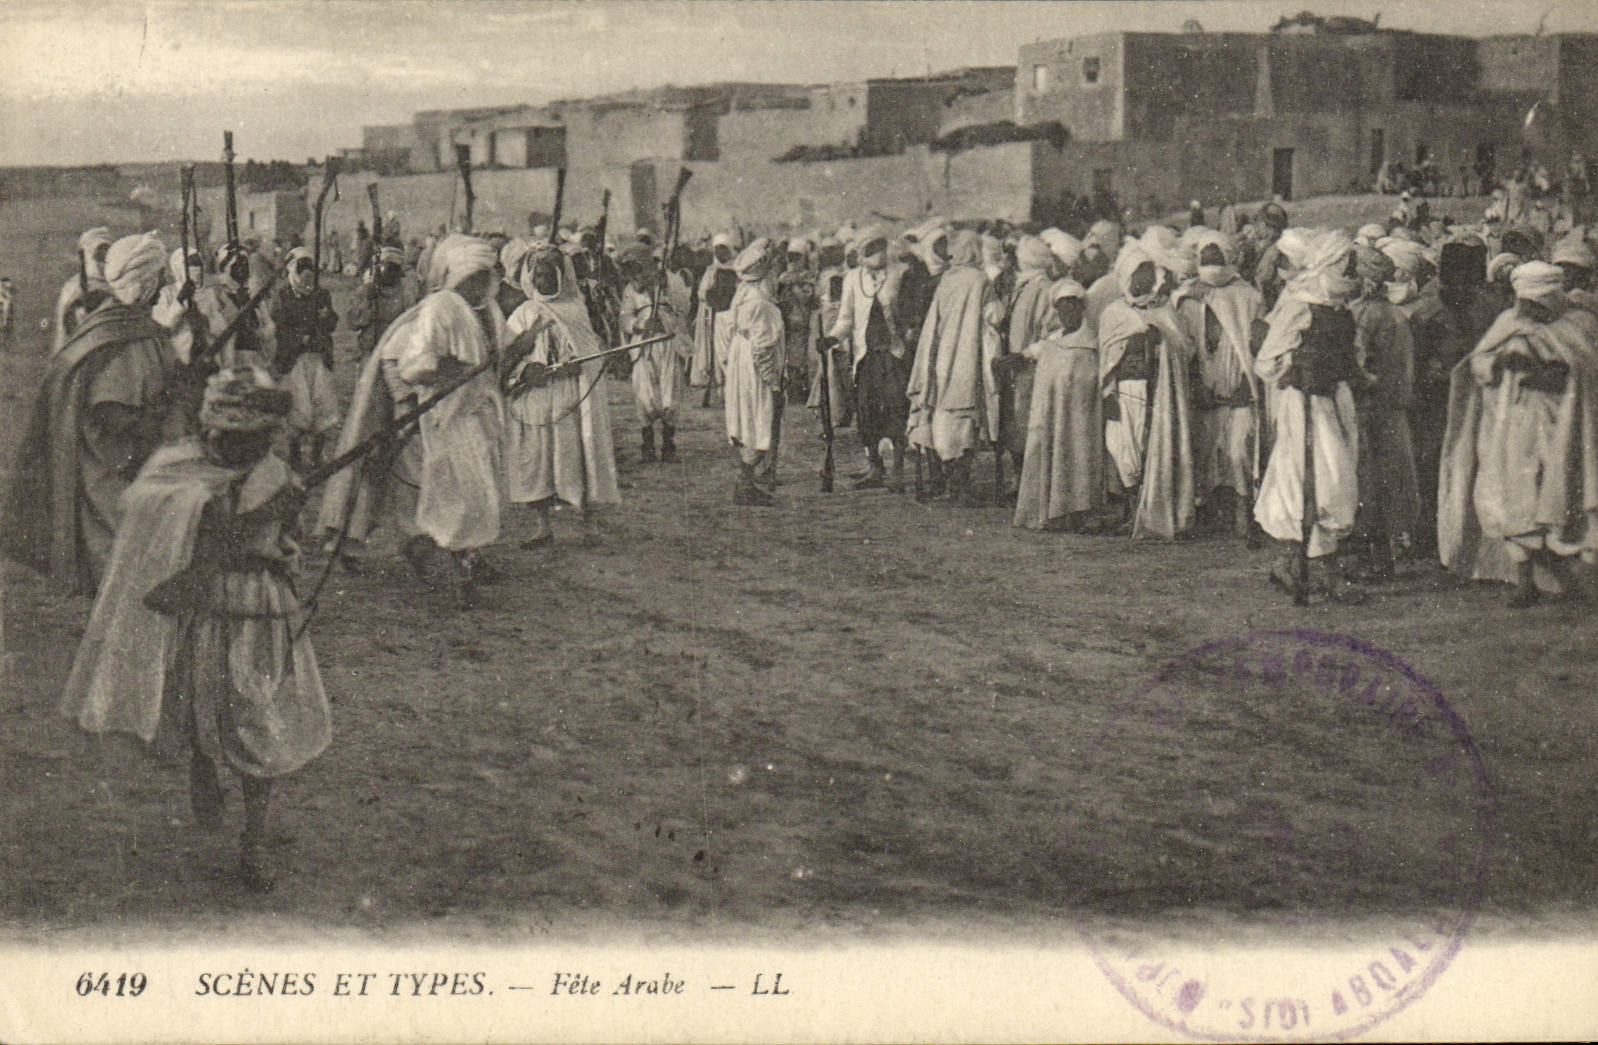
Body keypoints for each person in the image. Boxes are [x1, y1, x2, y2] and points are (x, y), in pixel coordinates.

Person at [60, 364, 330, 893]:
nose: (248, 449)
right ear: (213, 431)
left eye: (258, 440)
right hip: (203, 609)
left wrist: (283, 515)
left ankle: (254, 841)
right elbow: (204, 540)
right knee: (202, 700)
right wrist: (263, 512)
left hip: (258, 606)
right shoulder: (178, 470)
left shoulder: (274, 471)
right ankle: (204, 763)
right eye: (236, 439)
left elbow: (286, 540)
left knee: (259, 714)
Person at [320, 235, 514, 610]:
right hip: (422, 414)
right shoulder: (435, 310)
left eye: (484, 278)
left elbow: (499, 356)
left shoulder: (486, 312)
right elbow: (400, 360)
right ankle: (433, 560)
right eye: (472, 277)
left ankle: (459, 557)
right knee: (410, 486)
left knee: (462, 490)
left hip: (464, 415)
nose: (479, 285)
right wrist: (405, 405)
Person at [2, 233, 172, 593]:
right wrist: (160, 423)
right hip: (113, 474)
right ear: (147, 282)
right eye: (161, 277)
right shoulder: (120, 336)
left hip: (125, 467)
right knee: (127, 575)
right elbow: (111, 413)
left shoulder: (125, 326)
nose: (166, 285)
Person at [1439, 260, 1598, 606]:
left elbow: (1582, 373)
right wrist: (1500, 363)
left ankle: (1570, 580)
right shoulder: (1507, 323)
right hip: (1512, 426)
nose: (1527, 310)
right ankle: (1526, 580)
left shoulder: (1575, 326)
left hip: (1561, 428)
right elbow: (1478, 364)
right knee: (1514, 500)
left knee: (1556, 499)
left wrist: (1546, 373)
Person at [1253, 229, 1364, 602]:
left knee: (1335, 480)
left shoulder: (1339, 307)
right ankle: (1305, 568)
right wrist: (1297, 365)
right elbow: (1266, 361)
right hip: (1305, 403)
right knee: (1314, 481)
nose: (1351, 270)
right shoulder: (1300, 304)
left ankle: (1303, 566)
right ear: (1329, 264)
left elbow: (1352, 356)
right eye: (1346, 264)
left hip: (1335, 400)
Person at [502, 244, 622, 545]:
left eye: (549, 275)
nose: (544, 281)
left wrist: (577, 365)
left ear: (561, 276)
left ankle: (589, 525)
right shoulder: (522, 314)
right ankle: (542, 526)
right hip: (535, 397)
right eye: (539, 276)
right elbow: (506, 358)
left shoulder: (576, 310)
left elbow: (592, 354)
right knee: (538, 460)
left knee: (577, 457)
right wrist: (526, 370)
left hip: (571, 396)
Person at [1098, 234, 1196, 539]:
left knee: (1153, 451)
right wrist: (1108, 394)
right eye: (1138, 273)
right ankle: (1131, 509)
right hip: (1125, 391)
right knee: (1122, 450)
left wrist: (1160, 339)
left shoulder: (1164, 311)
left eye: (1148, 272)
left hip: (1159, 393)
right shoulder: (1114, 313)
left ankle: (1150, 512)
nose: (1144, 279)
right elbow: (1106, 359)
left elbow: (1184, 347)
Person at [1173, 229, 1266, 538]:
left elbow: (1257, 345)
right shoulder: (1187, 298)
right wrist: (1196, 384)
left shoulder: (1249, 296)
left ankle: (1245, 511)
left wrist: (1247, 383)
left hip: (1240, 387)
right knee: (1205, 451)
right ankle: (1213, 512)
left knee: (1239, 452)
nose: (1211, 265)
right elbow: (1185, 347)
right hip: (1206, 388)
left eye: (1217, 257)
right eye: (1206, 258)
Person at [906, 229, 1001, 506]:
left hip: (942, 355)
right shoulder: (980, 280)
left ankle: (951, 482)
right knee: (965, 418)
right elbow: (994, 315)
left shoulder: (947, 279)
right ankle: (962, 486)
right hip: (967, 355)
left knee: (943, 416)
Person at [1348, 246, 1421, 580]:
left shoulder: (1363, 316)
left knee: (1368, 481)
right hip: (1394, 409)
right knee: (1391, 480)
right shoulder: (1397, 315)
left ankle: (1370, 558)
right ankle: (1388, 556)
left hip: (1370, 408)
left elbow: (1360, 365)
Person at [1012, 279, 1105, 531]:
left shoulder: (1090, 343)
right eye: (1063, 308)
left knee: (1080, 458)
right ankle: (1052, 513)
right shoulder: (1052, 342)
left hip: (1080, 418)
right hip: (1052, 415)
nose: (1069, 313)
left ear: (1082, 308)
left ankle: (1080, 512)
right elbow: (1030, 353)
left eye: (1073, 306)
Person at [829, 227, 910, 492]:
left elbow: (907, 314)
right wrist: (832, 338)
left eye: (881, 247)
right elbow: (845, 318)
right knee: (867, 412)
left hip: (893, 355)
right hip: (867, 357)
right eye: (872, 249)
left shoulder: (899, 274)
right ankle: (875, 467)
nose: (878, 254)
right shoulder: (853, 279)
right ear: (862, 252)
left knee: (897, 410)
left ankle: (898, 470)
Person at [723, 238, 785, 506]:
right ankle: (745, 484)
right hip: (755, 368)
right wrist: (772, 382)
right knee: (760, 419)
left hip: (741, 362)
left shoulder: (743, 294)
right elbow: (762, 348)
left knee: (747, 421)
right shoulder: (761, 303)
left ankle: (746, 482)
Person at [991, 235, 1056, 493]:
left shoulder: (1044, 289)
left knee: (1030, 425)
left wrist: (1025, 354)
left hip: (1031, 367)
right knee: (1016, 425)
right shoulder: (1023, 287)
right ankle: (1020, 480)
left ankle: (1031, 484)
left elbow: (1051, 334)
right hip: (1015, 369)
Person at [618, 242, 691, 463]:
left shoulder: (672, 281)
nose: (635, 273)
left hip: (669, 343)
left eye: (637, 266)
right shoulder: (631, 289)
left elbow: (685, 309)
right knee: (645, 395)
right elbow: (624, 318)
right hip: (643, 345)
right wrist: (640, 324)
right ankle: (647, 446)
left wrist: (666, 292)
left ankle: (668, 445)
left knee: (670, 395)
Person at [270, 247, 340, 470]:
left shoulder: (321, 294)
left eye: (310, 273)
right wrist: (300, 337)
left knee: (323, 405)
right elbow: (278, 327)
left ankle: (318, 455)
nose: (307, 278)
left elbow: (331, 323)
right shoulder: (283, 296)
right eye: (302, 272)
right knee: (299, 407)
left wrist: (326, 317)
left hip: (318, 357)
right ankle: (295, 456)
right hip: (295, 359)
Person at [195, 242, 274, 369]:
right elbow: (216, 327)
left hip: (254, 356)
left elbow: (269, 324)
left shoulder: (252, 293)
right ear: (225, 267)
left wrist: (262, 333)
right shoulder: (215, 294)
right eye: (236, 265)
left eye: (245, 264)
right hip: (230, 356)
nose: (242, 269)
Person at [692, 232, 740, 397]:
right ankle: (719, 388)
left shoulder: (737, 269)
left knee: (730, 352)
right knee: (715, 352)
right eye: (717, 249)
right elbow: (702, 292)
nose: (720, 253)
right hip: (714, 316)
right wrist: (708, 296)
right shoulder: (711, 270)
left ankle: (732, 388)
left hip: (732, 316)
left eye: (723, 249)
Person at [53, 227, 115, 355]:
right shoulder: (73, 288)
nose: (99, 262)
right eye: (96, 254)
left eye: (104, 254)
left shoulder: (117, 282)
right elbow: (63, 332)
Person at [348, 245, 415, 359]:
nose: (389, 273)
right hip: (369, 352)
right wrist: (367, 301)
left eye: (393, 269)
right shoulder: (365, 291)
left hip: (394, 352)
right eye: (385, 268)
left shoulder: (406, 295)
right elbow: (352, 323)